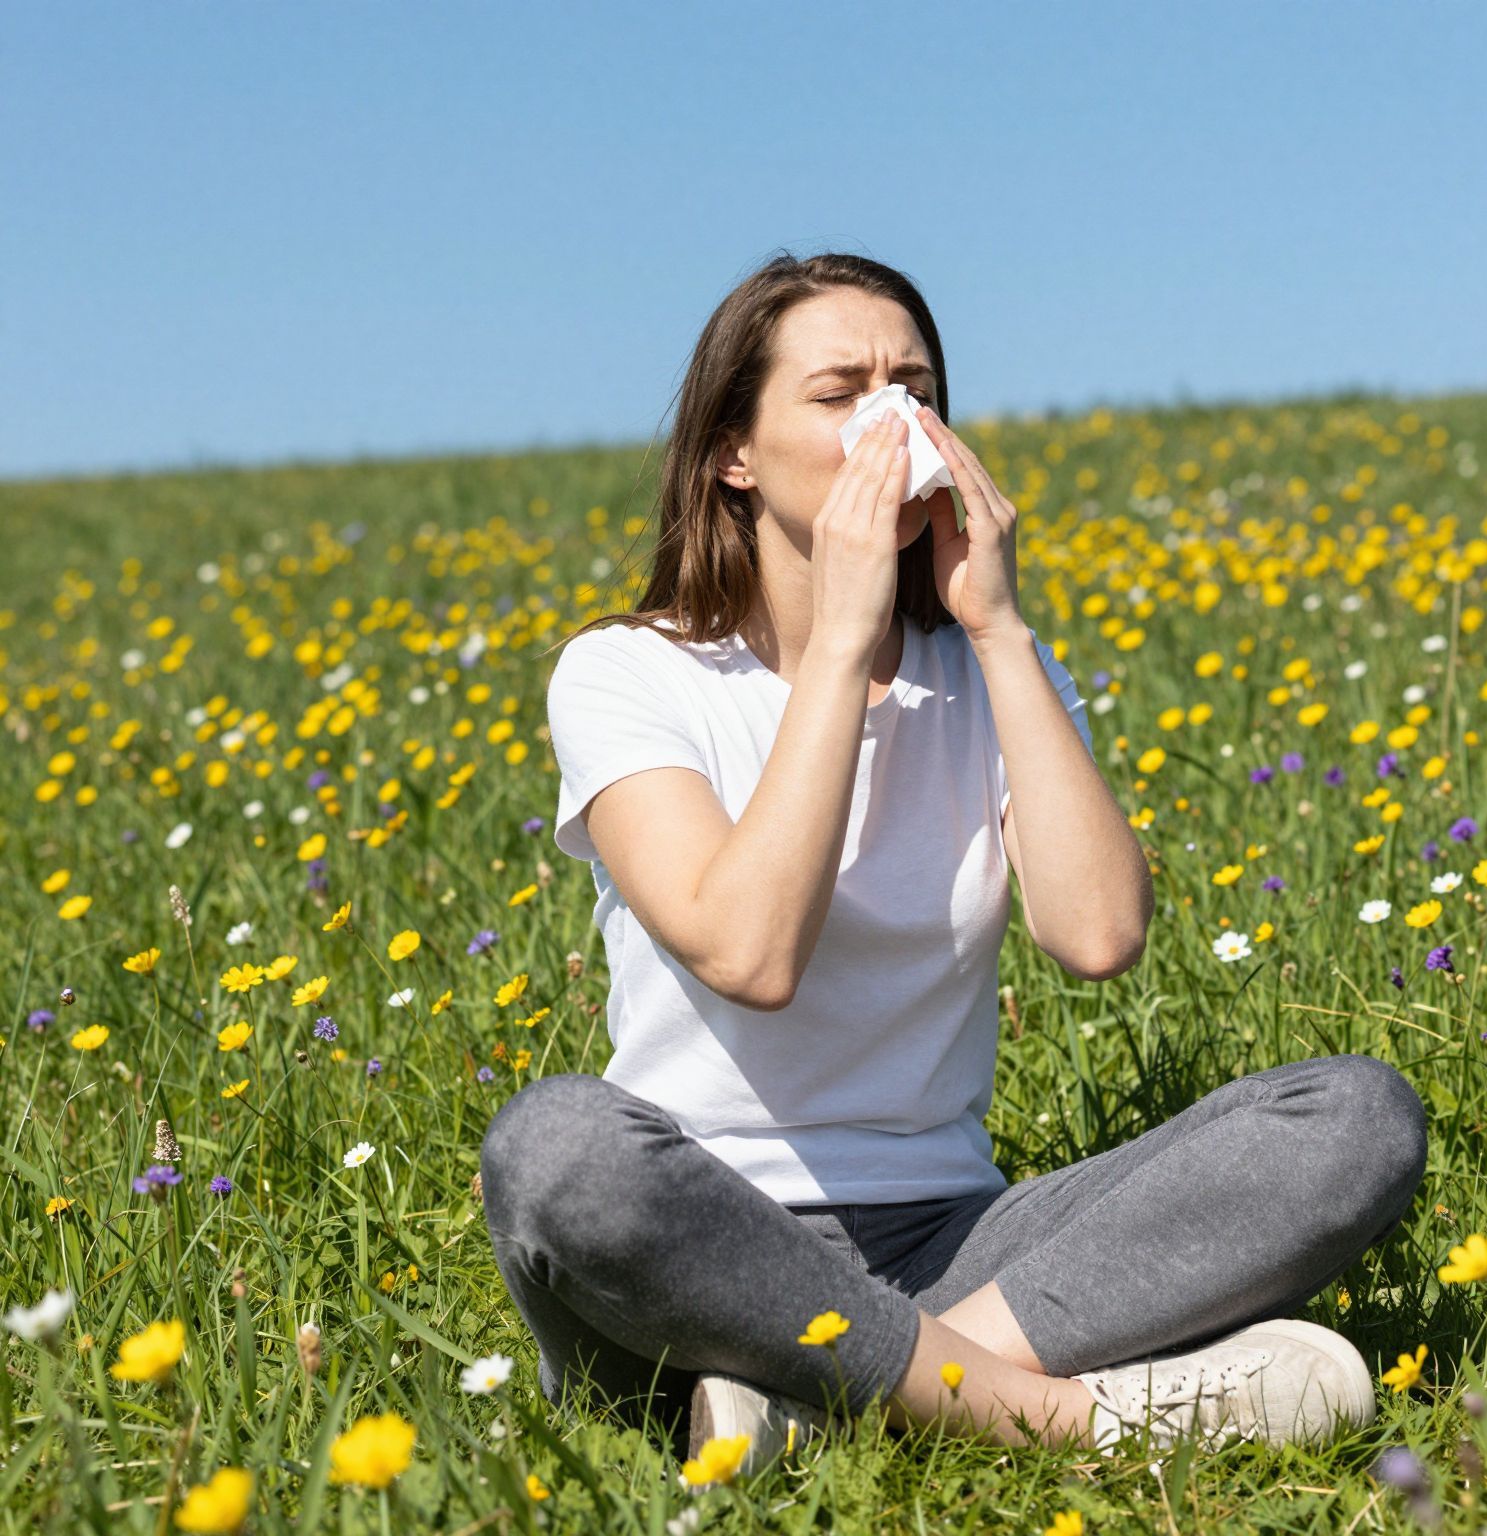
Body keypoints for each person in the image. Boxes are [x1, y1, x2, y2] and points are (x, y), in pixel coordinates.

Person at [480, 250, 1428, 1476]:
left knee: (1352, 1116)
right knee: (555, 1150)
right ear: (734, 454)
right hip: (693, 1230)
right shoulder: (628, 674)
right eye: (838, 394)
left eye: (913, 386)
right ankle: (1073, 1422)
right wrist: (841, 645)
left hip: (949, 1237)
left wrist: (997, 626)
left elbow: (1096, 939)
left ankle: (827, 1396)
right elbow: (748, 953)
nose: (889, 418)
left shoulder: (987, 674)